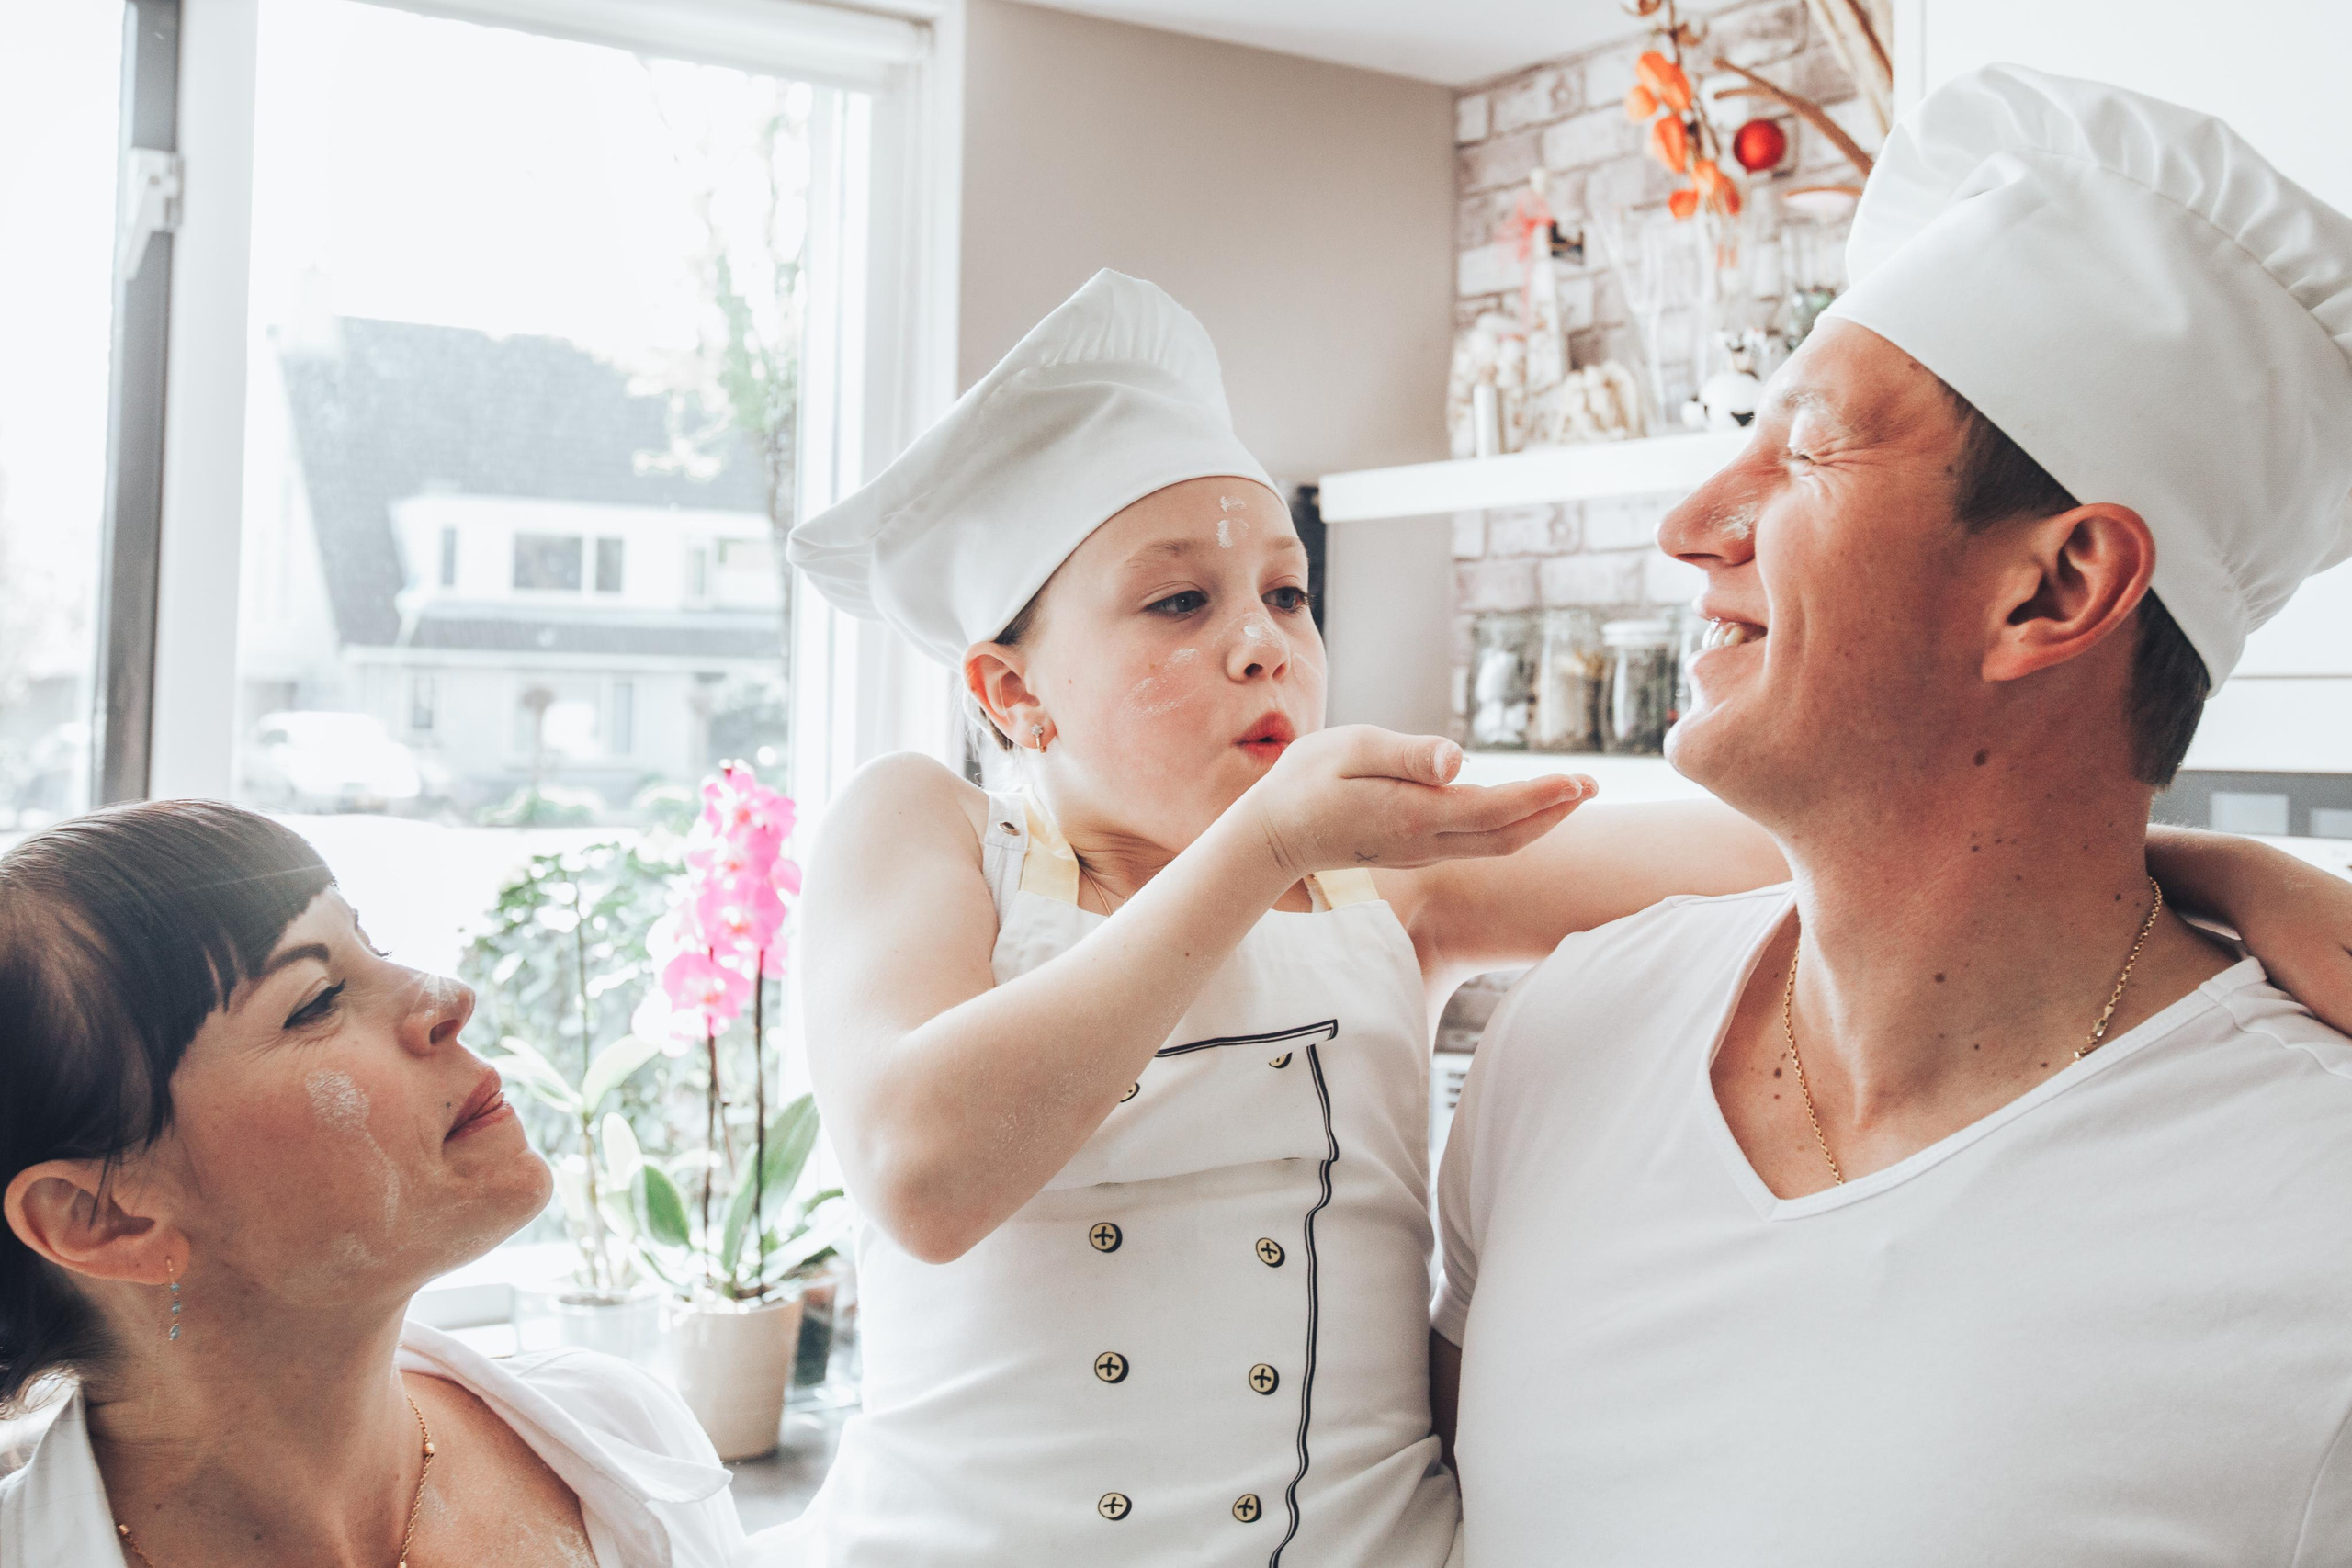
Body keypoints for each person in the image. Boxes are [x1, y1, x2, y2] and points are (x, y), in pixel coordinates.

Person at [761, 269, 2346, 1566]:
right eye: (1181, 601)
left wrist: (2203, 866)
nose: (1263, 644)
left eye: (1289, 593)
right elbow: (924, 1165)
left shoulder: (1392, 877)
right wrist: (1259, 846)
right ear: (1008, 689)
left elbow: (1836, 839)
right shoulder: (928, 831)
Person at [1429, 66, 2352, 1566]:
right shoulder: (1573, 1037)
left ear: (2052, 589)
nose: (1687, 526)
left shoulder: (2317, 1208)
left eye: (1802, 451)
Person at [0, 802, 744, 1567]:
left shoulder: (620, 1429)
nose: (448, 996)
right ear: (101, 1218)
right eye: (316, 999)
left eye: (371, 945)